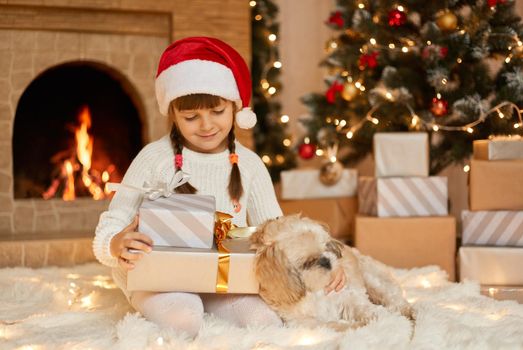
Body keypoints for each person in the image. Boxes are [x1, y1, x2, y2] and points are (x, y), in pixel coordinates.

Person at [93, 36, 345, 338]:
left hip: (225, 274)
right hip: (160, 276)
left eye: (217, 112)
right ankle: (183, 304)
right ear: (173, 113)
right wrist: (115, 245)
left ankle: (209, 299)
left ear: (235, 108)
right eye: (191, 117)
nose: (206, 125)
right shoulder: (153, 159)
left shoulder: (249, 165)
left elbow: (279, 231)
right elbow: (113, 223)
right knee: (182, 320)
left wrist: (327, 261)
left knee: (265, 322)